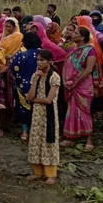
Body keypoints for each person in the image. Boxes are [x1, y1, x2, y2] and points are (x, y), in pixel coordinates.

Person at [25, 50, 61, 184]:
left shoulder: (55, 77)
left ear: (49, 61)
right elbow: (30, 96)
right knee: (36, 140)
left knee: (48, 142)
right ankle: (38, 172)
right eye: (38, 60)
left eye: (42, 60)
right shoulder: (37, 75)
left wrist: (34, 100)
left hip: (48, 114)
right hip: (37, 114)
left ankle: (51, 174)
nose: (39, 62)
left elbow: (48, 100)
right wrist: (35, 80)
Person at [62, 26, 97, 150]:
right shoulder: (72, 49)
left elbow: (88, 70)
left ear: (82, 37)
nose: (73, 34)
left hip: (83, 85)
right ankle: (71, 137)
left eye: (76, 33)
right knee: (71, 110)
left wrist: (75, 83)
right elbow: (66, 66)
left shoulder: (90, 50)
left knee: (85, 111)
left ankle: (89, 139)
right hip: (71, 84)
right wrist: (65, 81)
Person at [10, 32, 42, 141]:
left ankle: (24, 132)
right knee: (38, 108)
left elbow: (14, 67)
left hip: (24, 85)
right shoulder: (42, 53)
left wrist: (19, 81)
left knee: (24, 108)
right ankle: (37, 131)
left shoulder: (20, 53)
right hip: (40, 85)